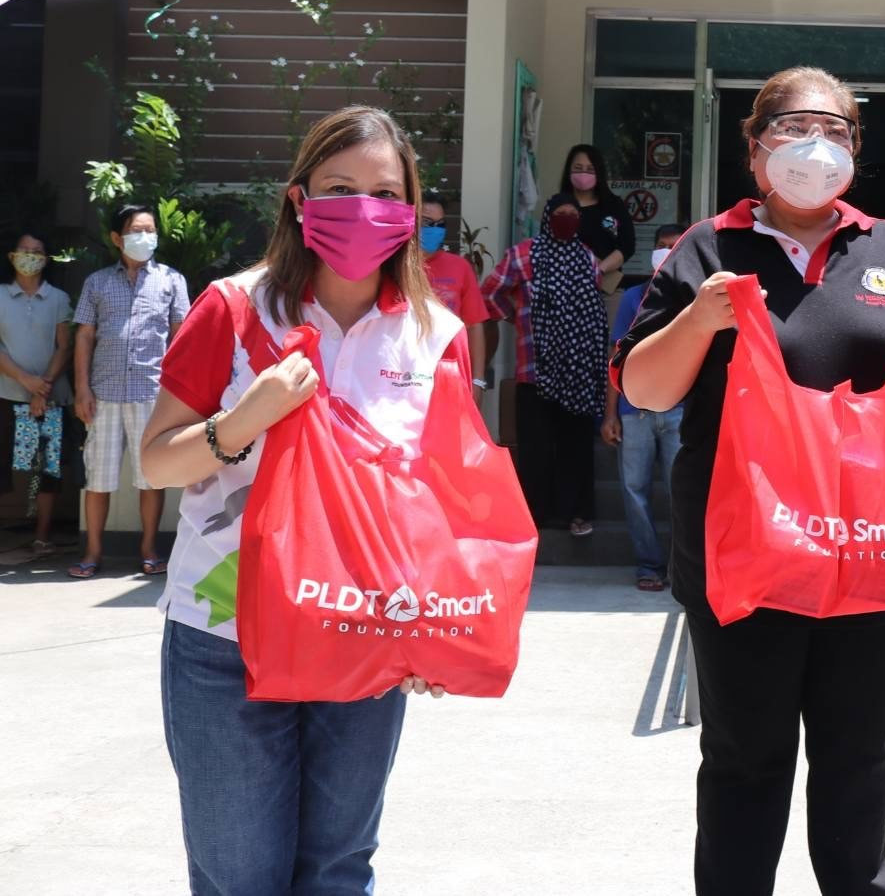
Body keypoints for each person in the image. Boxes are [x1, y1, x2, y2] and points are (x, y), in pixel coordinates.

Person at [613, 65, 885, 896]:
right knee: (745, 761)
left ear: (855, 147)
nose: (815, 144)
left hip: (863, 558)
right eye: (791, 125)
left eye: (838, 129)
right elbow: (642, 388)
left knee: (857, 765)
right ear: (753, 147)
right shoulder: (703, 248)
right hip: (744, 562)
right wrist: (699, 318)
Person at [139, 105, 463, 893]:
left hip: (362, 633)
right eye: (339, 188)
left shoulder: (434, 332)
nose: (364, 208)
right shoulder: (234, 307)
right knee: (239, 875)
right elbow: (154, 461)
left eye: (385, 193)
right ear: (298, 199)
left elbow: (441, 496)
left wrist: (435, 625)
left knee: (337, 870)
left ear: (410, 210)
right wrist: (246, 418)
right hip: (225, 634)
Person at [70, 204, 191, 577]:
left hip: (151, 394)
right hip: (103, 393)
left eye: (150, 230)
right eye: (137, 230)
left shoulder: (172, 280)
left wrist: (178, 398)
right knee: (99, 479)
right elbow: (84, 337)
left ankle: (149, 551)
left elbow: (183, 339)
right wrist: (81, 389)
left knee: (150, 476)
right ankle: (92, 553)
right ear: (117, 238)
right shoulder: (97, 282)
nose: (145, 237)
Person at [483, 197, 608, 537]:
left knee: (576, 447)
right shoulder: (524, 254)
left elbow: (593, 310)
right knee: (535, 449)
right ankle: (533, 520)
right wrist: (516, 318)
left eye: (573, 215)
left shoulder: (586, 257)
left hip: (578, 372)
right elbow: (489, 292)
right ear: (547, 218)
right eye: (560, 215)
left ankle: (576, 515)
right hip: (534, 371)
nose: (566, 220)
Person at [601, 223, 685, 592]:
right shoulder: (634, 297)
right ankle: (649, 565)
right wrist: (610, 414)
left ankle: (682, 567)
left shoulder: (695, 299)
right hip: (634, 410)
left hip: (679, 410)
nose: (666, 252)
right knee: (634, 491)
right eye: (661, 246)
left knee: (680, 491)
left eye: (674, 246)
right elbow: (616, 357)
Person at [0, 232, 73, 557]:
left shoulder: (58, 298)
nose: (30, 256)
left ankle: (42, 536)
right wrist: (25, 381)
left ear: (47, 259)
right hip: (7, 395)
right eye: (25, 250)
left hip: (50, 398)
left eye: (38, 251)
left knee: (47, 468)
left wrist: (42, 385)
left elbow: (65, 345)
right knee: (5, 465)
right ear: (12, 256)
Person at [418, 189, 490, 396]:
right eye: (426, 223)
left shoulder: (460, 268)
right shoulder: (393, 267)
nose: (434, 230)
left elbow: (475, 326)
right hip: (401, 376)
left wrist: (477, 381)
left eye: (440, 225)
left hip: (449, 378)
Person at [547, 143, 634, 290]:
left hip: (607, 288)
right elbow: (546, 244)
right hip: (563, 288)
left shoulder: (613, 206)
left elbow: (627, 246)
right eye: (578, 168)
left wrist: (598, 270)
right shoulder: (558, 205)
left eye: (590, 169)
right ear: (569, 171)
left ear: (598, 172)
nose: (583, 174)